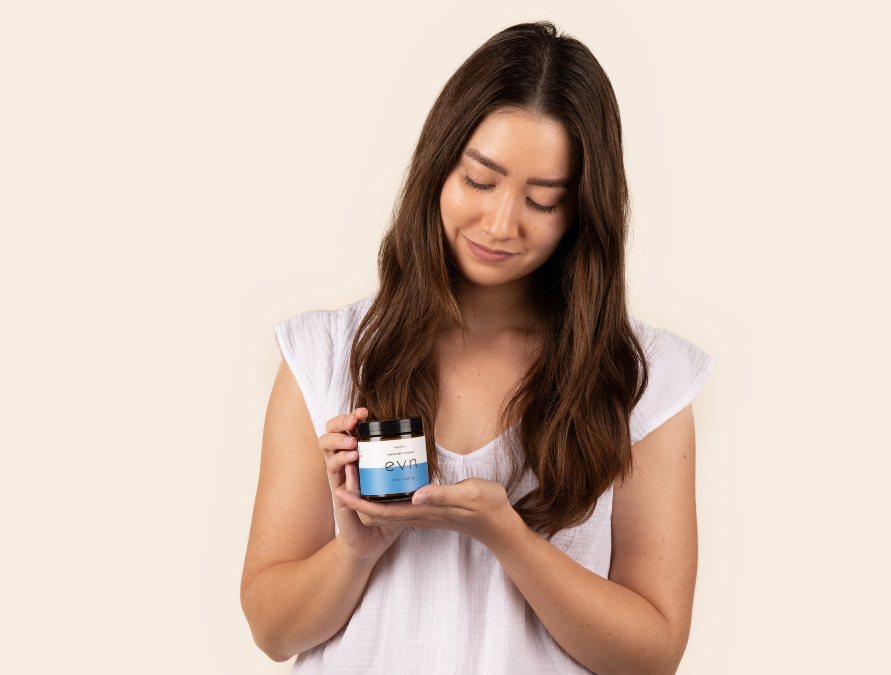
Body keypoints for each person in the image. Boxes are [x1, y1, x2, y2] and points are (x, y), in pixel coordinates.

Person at [240, 21, 714, 675]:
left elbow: (651, 654)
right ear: (438, 167)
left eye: (541, 200)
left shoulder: (644, 377)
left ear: (581, 213)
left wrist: (506, 535)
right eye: (479, 180)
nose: (499, 223)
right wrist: (356, 546)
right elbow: (272, 630)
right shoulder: (327, 354)